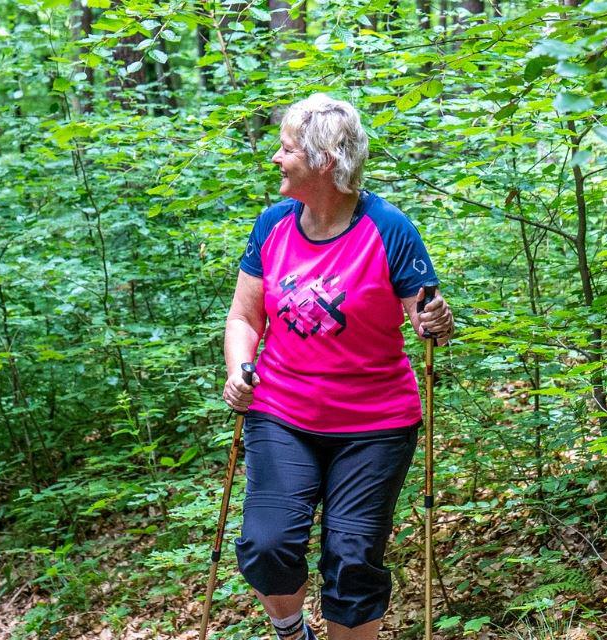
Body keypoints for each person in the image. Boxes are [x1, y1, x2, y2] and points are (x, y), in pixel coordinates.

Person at [221, 93, 455, 640]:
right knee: (266, 544)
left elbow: (427, 324)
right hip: (281, 411)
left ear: (324, 160)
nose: (276, 159)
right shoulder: (273, 225)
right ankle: (290, 630)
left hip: (375, 423)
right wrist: (239, 369)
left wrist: (437, 322)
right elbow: (243, 318)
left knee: (352, 560)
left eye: (286, 149)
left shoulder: (390, 228)